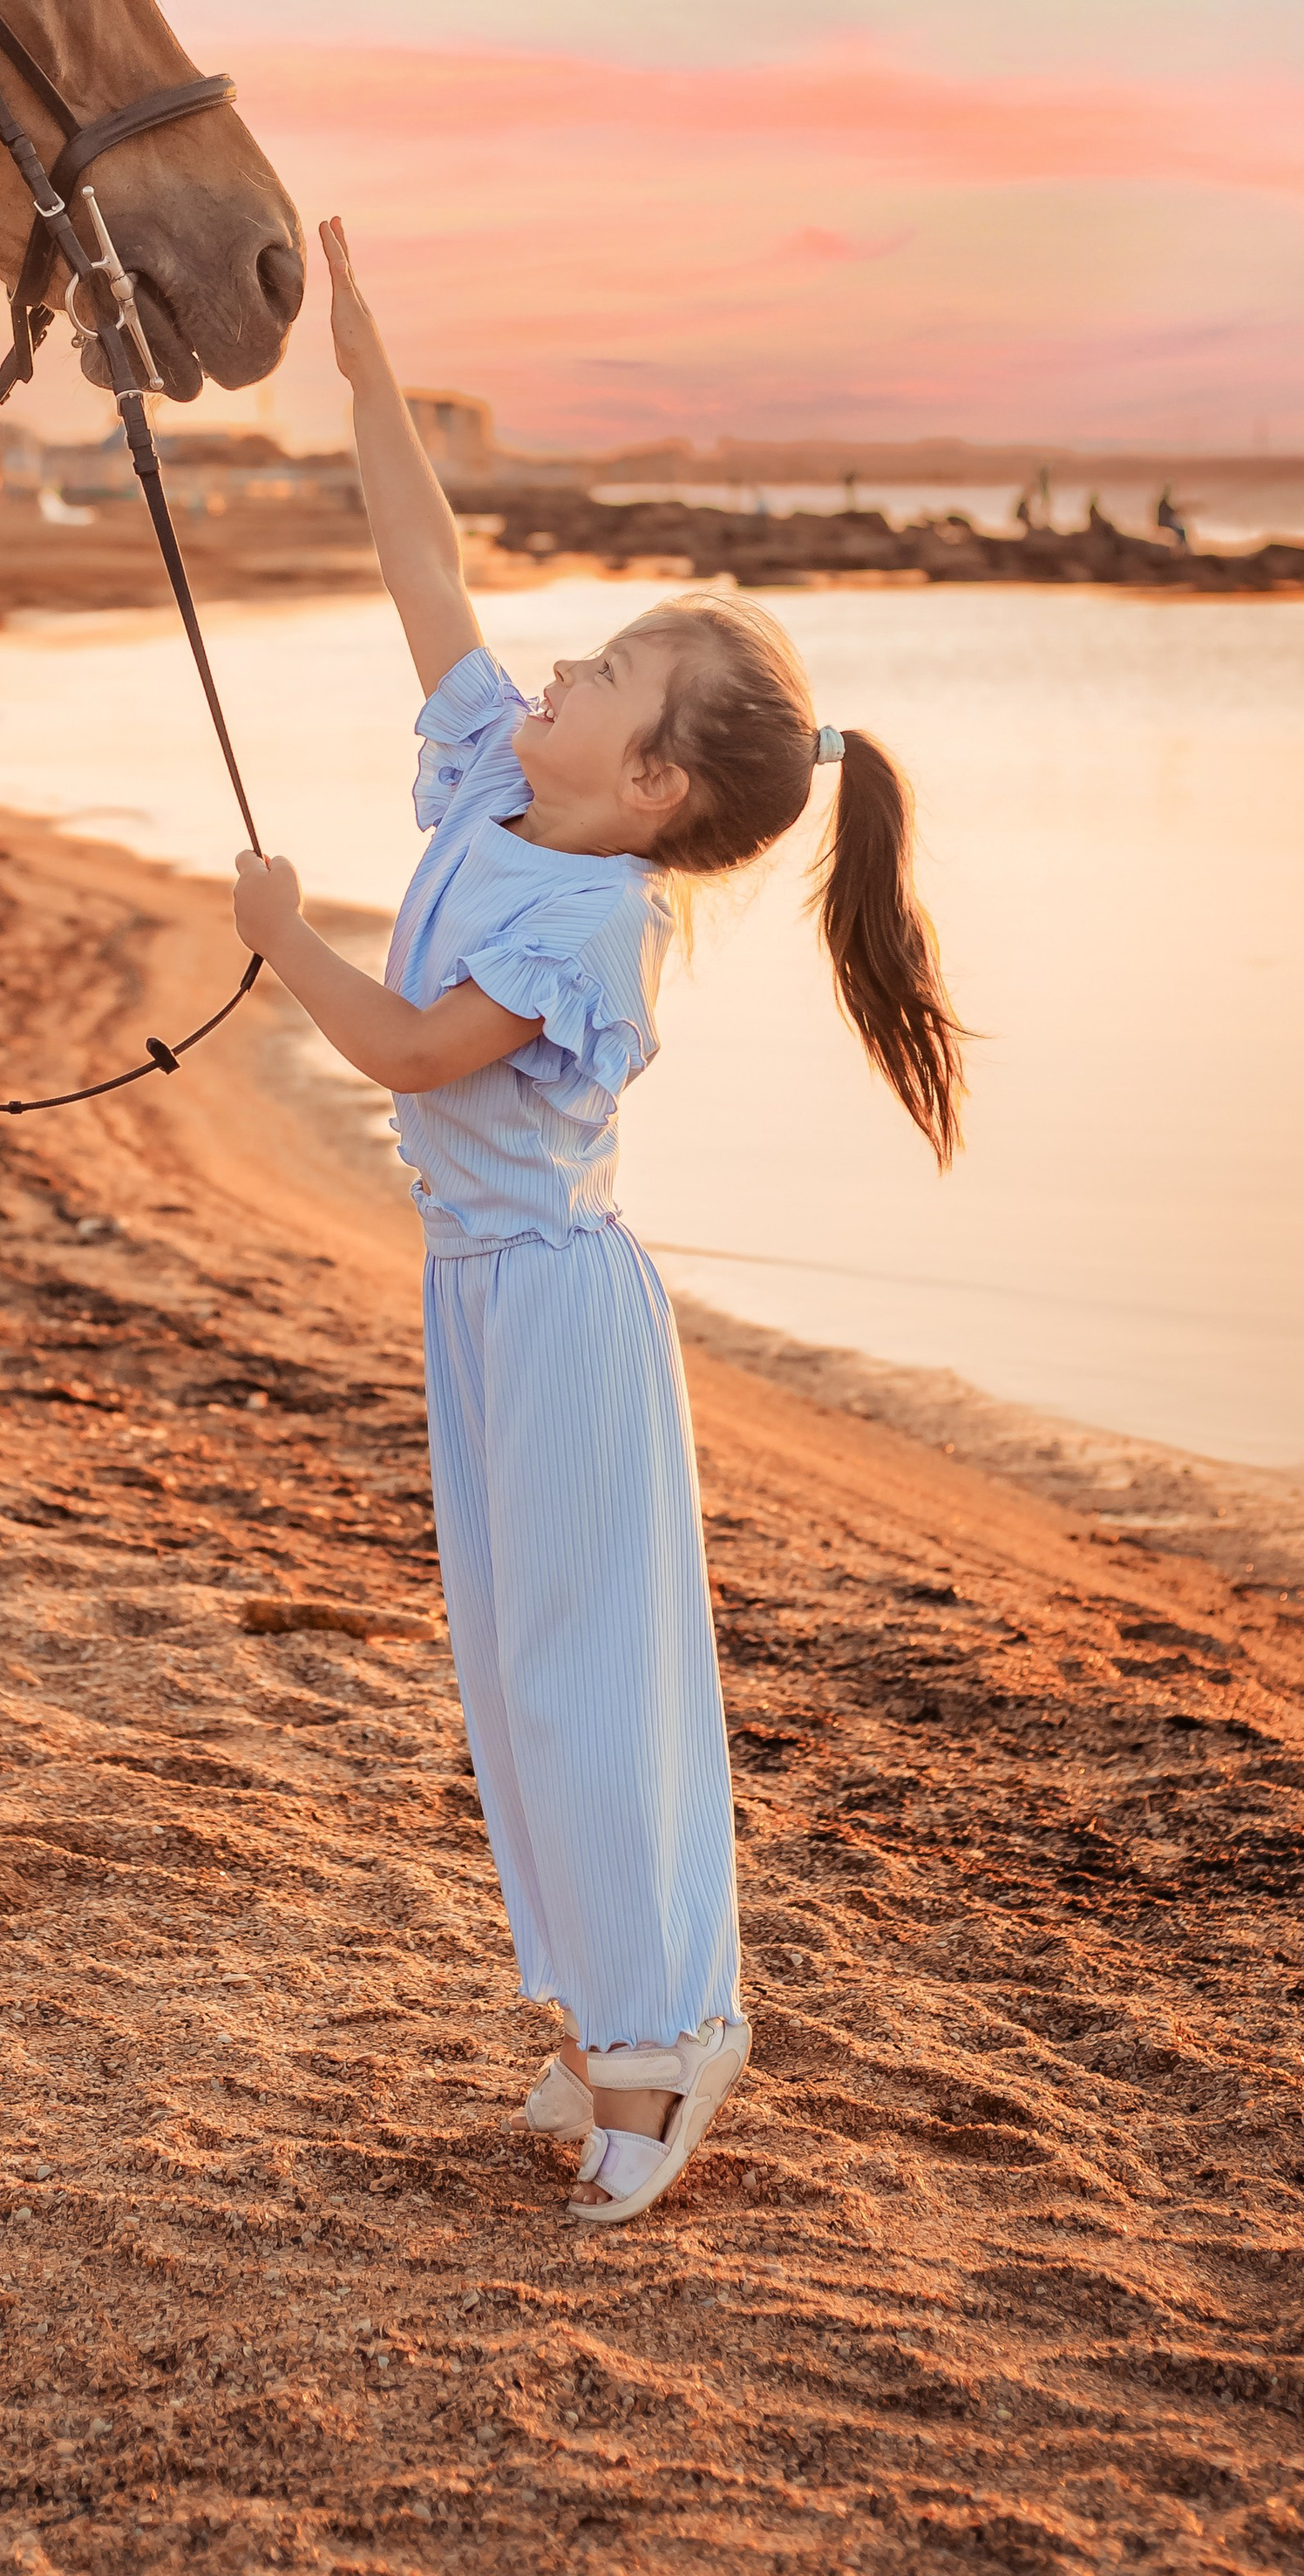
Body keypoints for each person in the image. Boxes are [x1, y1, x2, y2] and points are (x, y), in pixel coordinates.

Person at [233, 221, 967, 2227]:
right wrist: (368, 376)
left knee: (582, 1677)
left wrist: (278, 936)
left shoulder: (586, 917)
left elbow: (407, 1053)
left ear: (647, 784)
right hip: (474, 1299)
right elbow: (420, 571)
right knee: (511, 1673)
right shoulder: (499, 788)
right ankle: (594, 2012)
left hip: (553, 1313)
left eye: (603, 673)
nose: (551, 667)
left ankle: (668, 2032)